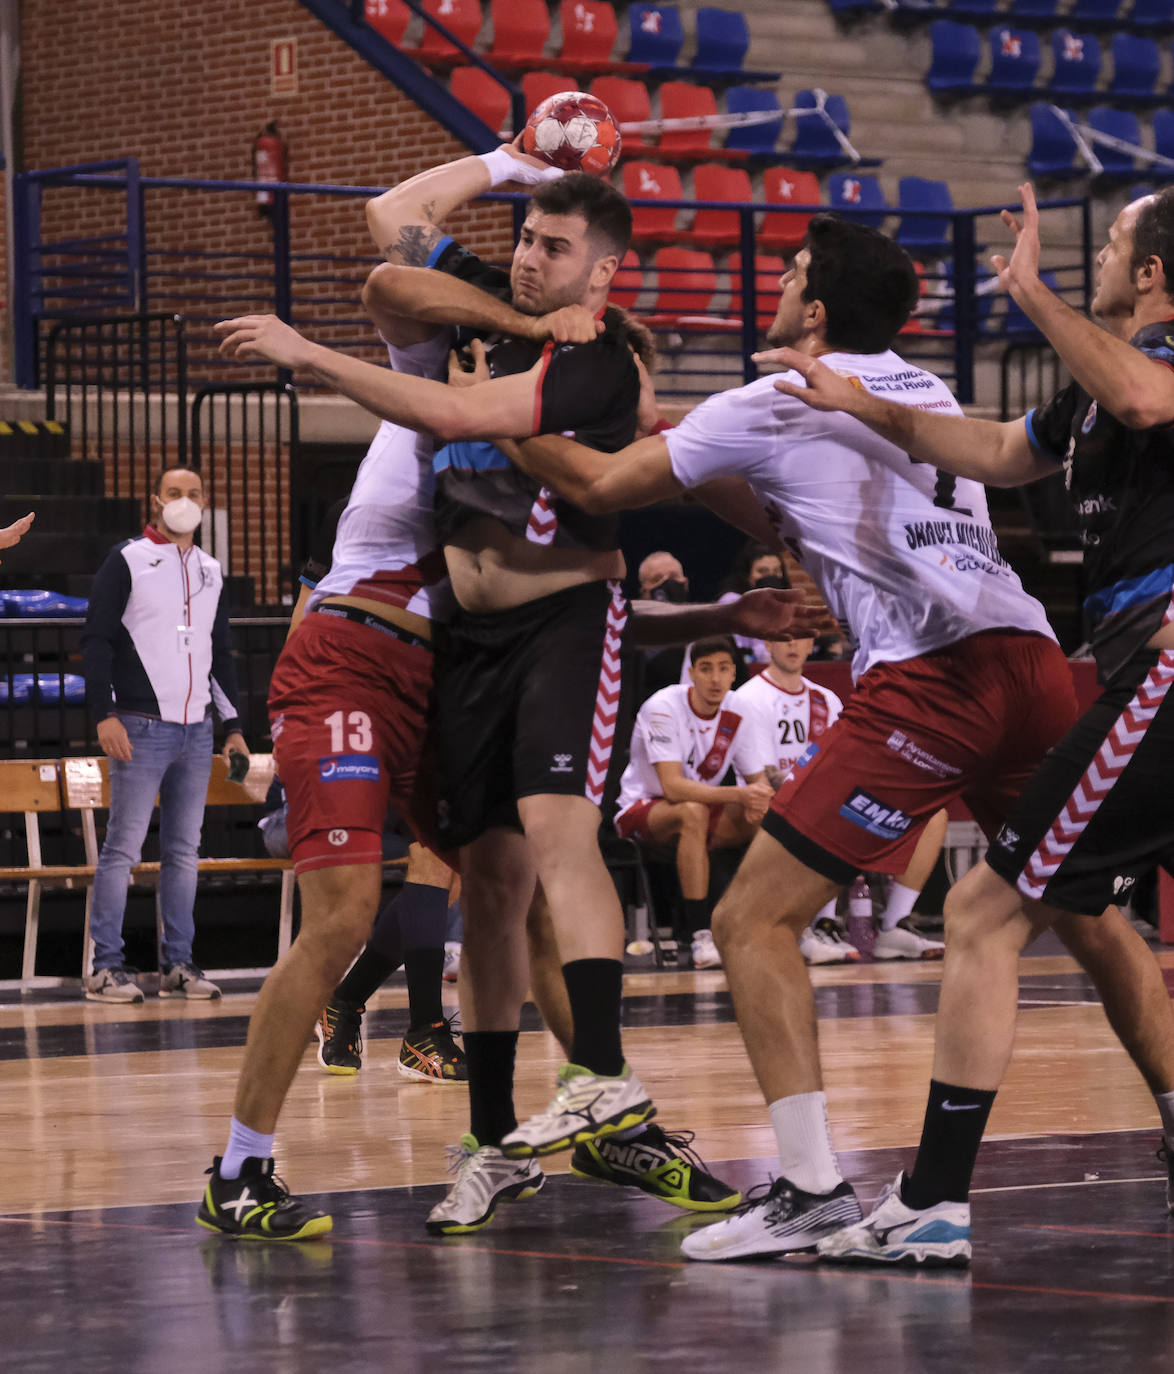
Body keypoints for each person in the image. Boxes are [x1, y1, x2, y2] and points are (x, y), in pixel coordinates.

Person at [486, 211, 1174, 1265]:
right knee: (1082, 916)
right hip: (1033, 660)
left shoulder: (776, 397)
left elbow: (592, 485)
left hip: (937, 682)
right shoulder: (921, 390)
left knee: (754, 919)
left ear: (811, 307)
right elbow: (791, 506)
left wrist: (490, 410)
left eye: (794, 269)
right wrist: (684, 437)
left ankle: (809, 1186)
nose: (782, 280)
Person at [203, 143, 802, 1240]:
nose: (528, 259)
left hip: (459, 655)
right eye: (523, 242)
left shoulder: (581, 374)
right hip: (355, 648)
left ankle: (588, 1109)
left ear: (604, 276)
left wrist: (733, 588)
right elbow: (390, 244)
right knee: (344, 912)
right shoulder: (453, 332)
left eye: (551, 246)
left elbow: (597, 556)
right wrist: (509, 161)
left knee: (510, 884)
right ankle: (239, 1167)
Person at [762, 184, 1174, 1265]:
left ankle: (936, 1199)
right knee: (1051, 907)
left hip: (1162, 676)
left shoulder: (1146, 369)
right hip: (1129, 669)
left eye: (1116, 244)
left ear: (1148, 276)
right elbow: (993, 446)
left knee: (985, 908)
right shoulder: (1091, 393)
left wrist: (1028, 291)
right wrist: (857, 403)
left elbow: (1142, 399)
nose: (1100, 258)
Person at [80, 467, 247, 1004]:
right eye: (174, 493)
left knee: (184, 852)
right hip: (138, 725)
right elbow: (97, 640)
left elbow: (219, 654)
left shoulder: (211, 570)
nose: (185, 501)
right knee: (122, 851)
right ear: (156, 500)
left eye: (194, 494)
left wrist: (235, 727)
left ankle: (178, 964)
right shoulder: (126, 559)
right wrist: (104, 714)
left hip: (197, 731)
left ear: (205, 502)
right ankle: (105, 968)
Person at [735, 633, 947, 963]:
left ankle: (894, 927)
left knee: (933, 813)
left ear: (811, 644)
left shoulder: (827, 699)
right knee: (821, 807)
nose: (793, 645)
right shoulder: (748, 697)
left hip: (826, 799)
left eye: (801, 637)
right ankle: (819, 923)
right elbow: (761, 777)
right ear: (768, 644)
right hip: (769, 804)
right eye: (784, 637)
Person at [614, 636, 773, 969]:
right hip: (642, 809)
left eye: (723, 669)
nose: (715, 678)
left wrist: (761, 799)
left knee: (776, 818)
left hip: (703, 811)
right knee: (692, 812)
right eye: (706, 669)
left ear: (733, 675)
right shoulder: (663, 706)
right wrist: (740, 794)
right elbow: (672, 787)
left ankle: (762, 924)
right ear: (691, 673)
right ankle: (700, 936)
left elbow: (756, 780)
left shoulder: (738, 709)